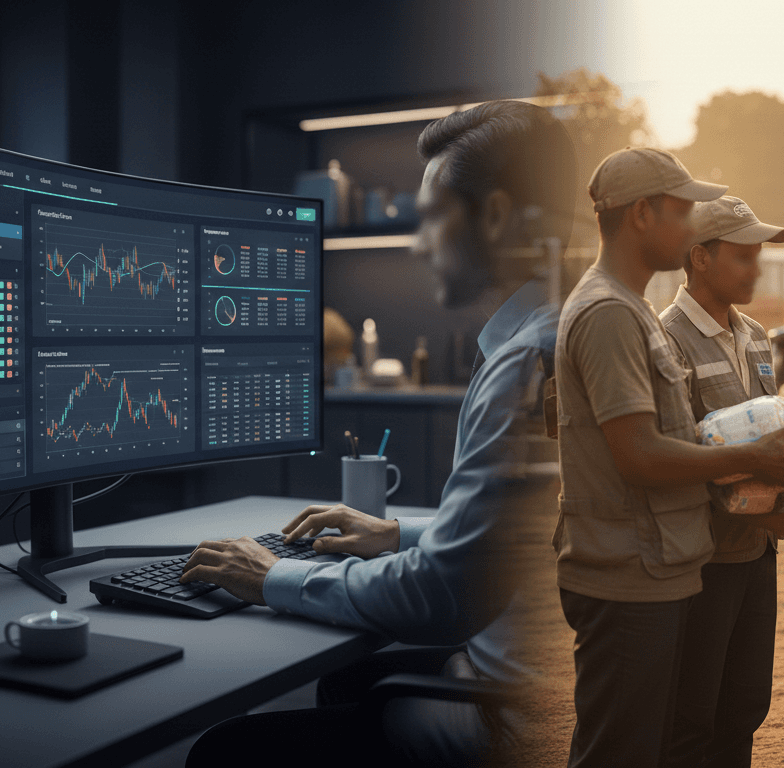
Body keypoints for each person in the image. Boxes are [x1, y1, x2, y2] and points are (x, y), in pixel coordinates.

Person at [180, 99, 579, 767]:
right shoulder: (565, 333)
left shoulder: (523, 365)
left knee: (223, 751)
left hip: (510, 721)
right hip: (552, 685)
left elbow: (439, 598)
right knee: (345, 681)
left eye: (432, 219)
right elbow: (524, 531)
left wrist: (271, 576)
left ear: (498, 217)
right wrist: (395, 534)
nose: (417, 244)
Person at [554, 148, 784, 768]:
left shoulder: (635, 314)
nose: (688, 225)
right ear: (644, 215)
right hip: (632, 564)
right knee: (647, 738)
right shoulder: (615, 315)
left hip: (669, 557)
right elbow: (639, 454)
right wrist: (756, 457)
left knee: (710, 717)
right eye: (681, 212)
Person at [657, 194, 784, 768]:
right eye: (742, 256)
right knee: (692, 716)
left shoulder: (756, 335)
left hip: (757, 550)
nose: (756, 268)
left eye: (757, 255)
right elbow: (674, 453)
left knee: (745, 707)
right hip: (703, 559)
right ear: (699, 258)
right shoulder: (665, 340)